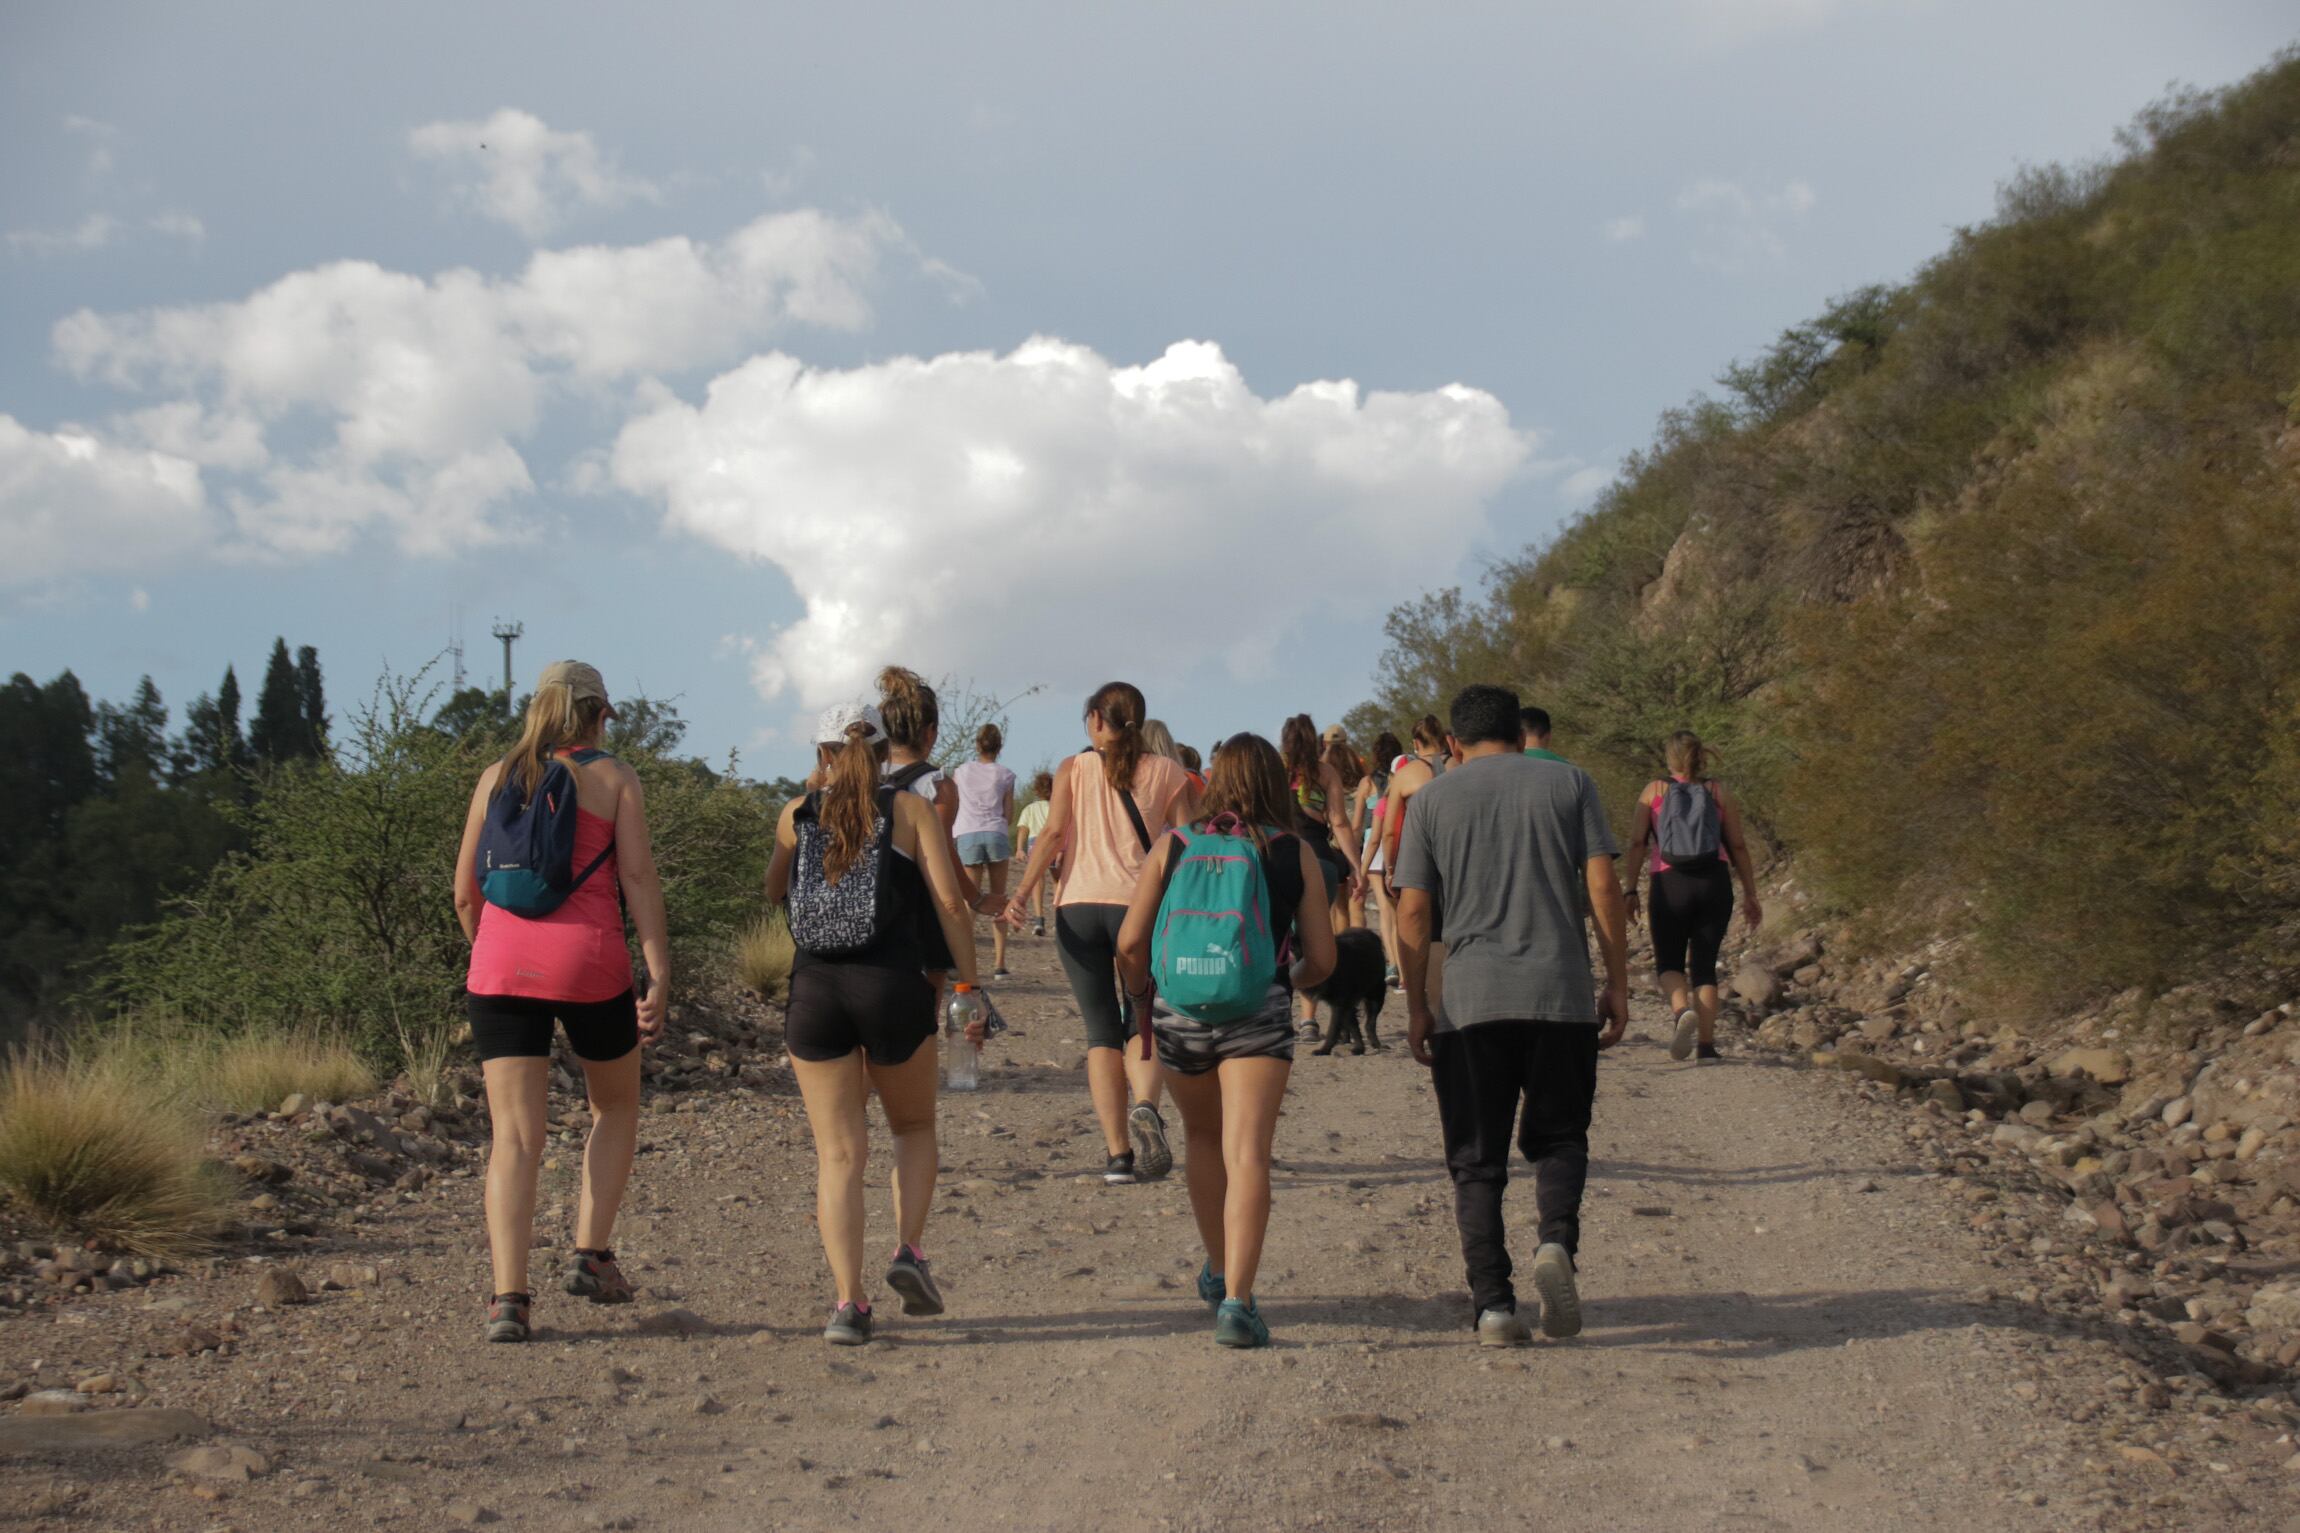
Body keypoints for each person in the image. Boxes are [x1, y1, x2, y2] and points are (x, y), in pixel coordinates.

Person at [1393, 684, 1629, 1347]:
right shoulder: (1571, 785)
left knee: (1476, 1159)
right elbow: (1604, 885)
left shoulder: (1431, 799)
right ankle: (1555, 1242)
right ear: (1521, 734)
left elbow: (1413, 911)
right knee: (1560, 1137)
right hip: (1560, 992)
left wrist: (1416, 1003)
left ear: (1453, 744)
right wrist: (1617, 980)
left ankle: (1495, 1304)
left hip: (1469, 1002)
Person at [453, 661, 671, 1344]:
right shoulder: (613, 777)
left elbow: (465, 892)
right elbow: (635, 876)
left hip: (499, 965)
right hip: (591, 965)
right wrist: (658, 971)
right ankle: (590, 1252)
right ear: (599, 714)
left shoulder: (494, 777)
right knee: (614, 1104)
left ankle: (508, 1301)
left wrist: (497, 949)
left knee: (514, 1137)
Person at [766, 703, 987, 1345]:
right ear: (886, 749)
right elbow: (949, 902)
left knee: (838, 1153)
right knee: (913, 1126)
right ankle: (909, 1251)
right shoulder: (909, 811)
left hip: (814, 990)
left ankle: (847, 1305)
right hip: (891, 986)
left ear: (824, 752)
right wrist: (968, 985)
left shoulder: (796, 813)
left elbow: (772, 889)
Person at [1115, 733, 1335, 1348]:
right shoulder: (1293, 851)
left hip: (1179, 1011)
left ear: (1213, 781)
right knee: (1249, 1152)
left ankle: (1216, 1267)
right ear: (1273, 783)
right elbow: (1322, 957)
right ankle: (1238, 1301)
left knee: (1203, 1139)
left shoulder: (1176, 845)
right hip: (1258, 1014)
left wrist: (1141, 1002)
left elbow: (1130, 944)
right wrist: (1280, 979)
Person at [1002, 682, 1196, 1184]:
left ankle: (1118, 1157)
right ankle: (1147, 1105)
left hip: (1078, 908)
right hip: (1141, 909)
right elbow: (1186, 846)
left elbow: (1051, 835)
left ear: (1094, 720)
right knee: (1144, 1017)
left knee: (1100, 1031)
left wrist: (1021, 895)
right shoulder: (1170, 773)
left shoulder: (1074, 768)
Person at [1624, 730, 1763, 1063]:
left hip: (1669, 883)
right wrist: (1750, 894)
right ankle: (1706, 1046)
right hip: (1713, 882)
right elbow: (1739, 845)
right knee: (1704, 967)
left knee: (1669, 962)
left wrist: (1629, 889)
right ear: (1700, 755)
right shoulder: (1719, 791)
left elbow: (1637, 844)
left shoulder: (1654, 790)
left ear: (1669, 758)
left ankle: (1681, 1010)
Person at [950, 725, 1018, 979]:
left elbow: (956, 803)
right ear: (999, 747)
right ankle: (999, 963)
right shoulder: (1006, 775)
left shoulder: (961, 772)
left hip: (967, 833)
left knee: (971, 900)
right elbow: (1008, 814)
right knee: (999, 898)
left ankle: (962, 958)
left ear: (977, 745)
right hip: (995, 832)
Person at [1359, 731, 1406, 985]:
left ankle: (1393, 963)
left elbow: (1359, 822)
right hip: (1398, 839)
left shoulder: (1368, 783)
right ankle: (1403, 960)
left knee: (1384, 907)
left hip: (1373, 844)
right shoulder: (1402, 777)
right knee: (1398, 907)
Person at [1012, 770, 1057, 937]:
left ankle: (1039, 920)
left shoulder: (1030, 808)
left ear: (1036, 790)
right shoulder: (1057, 806)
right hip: (1054, 842)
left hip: (1035, 844)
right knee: (1057, 880)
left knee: (1038, 880)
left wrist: (1019, 849)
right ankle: (1059, 919)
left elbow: (1023, 830)